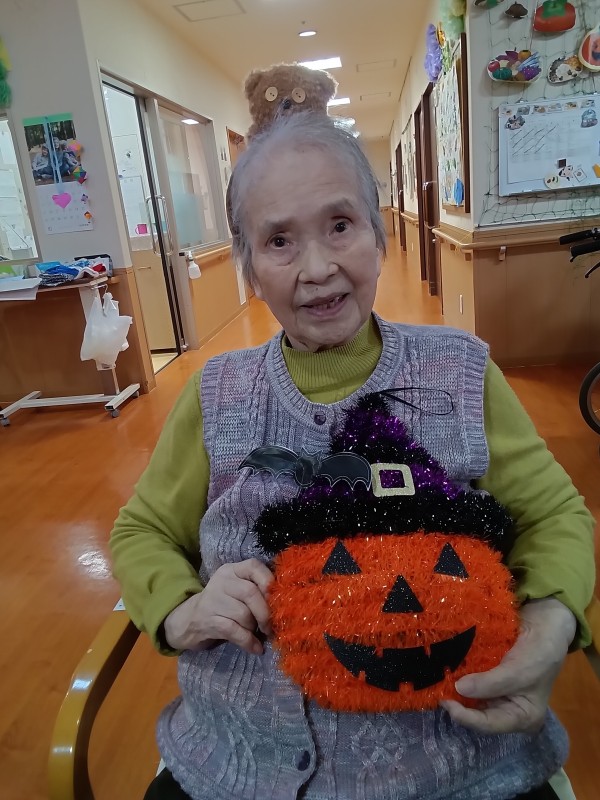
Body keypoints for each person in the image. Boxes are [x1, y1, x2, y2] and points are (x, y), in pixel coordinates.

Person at [110, 112, 595, 800]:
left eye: (340, 225)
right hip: (238, 759)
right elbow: (142, 530)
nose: (317, 269)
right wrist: (181, 609)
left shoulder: (459, 371)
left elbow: (555, 516)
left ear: (379, 232)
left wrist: (548, 623)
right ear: (249, 267)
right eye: (279, 240)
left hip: (458, 757)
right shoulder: (216, 394)